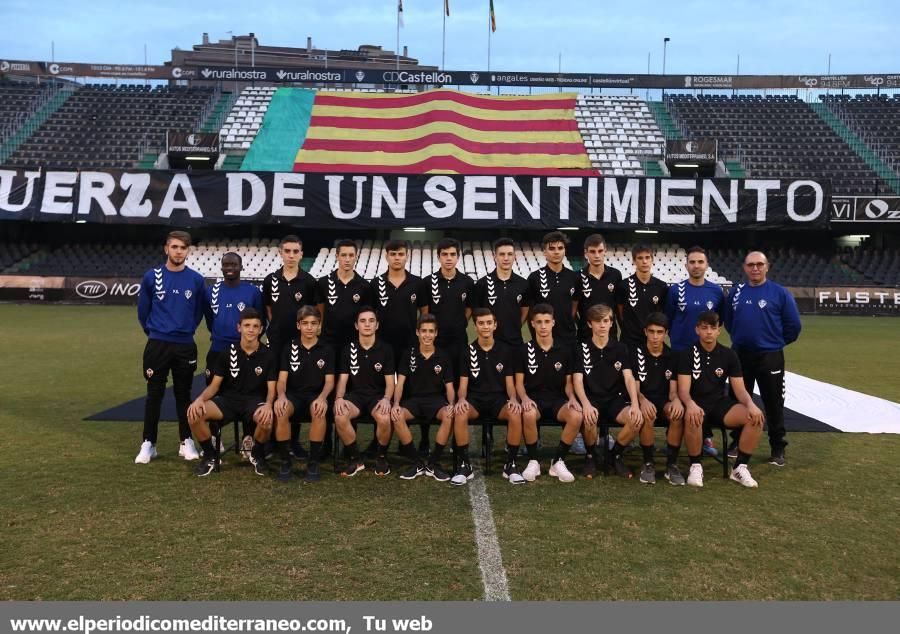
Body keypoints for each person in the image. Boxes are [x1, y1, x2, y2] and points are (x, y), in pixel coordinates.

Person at [722, 251, 802, 467]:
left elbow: (794, 327)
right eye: (751, 265)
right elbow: (729, 322)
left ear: (767, 267)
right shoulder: (736, 292)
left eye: (759, 264)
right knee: (739, 401)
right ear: (744, 267)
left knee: (774, 402)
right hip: (740, 356)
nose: (755, 268)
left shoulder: (780, 293)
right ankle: (736, 442)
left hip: (770, 357)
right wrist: (742, 338)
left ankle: (777, 447)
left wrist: (774, 343)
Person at [135, 230, 206, 464]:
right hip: (157, 344)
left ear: (188, 251)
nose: (178, 251)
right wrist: (156, 332)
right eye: (174, 247)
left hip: (185, 345)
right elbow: (143, 311)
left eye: (183, 248)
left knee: (183, 395)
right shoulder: (151, 276)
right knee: (154, 394)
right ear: (166, 248)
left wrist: (183, 329)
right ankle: (149, 443)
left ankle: (186, 441)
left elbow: (198, 313)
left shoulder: (196, 279)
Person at [677, 311, 766, 488]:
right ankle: (695, 466)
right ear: (697, 330)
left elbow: (740, 390)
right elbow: (683, 390)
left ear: (719, 331)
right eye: (704, 328)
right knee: (692, 415)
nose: (708, 332)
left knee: (755, 417)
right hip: (696, 403)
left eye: (713, 328)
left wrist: (751, 404)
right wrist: (690, 404)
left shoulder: (729, 355)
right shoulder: (687, 354)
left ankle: (740, 467)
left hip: (719, 405)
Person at [187, 308, 277, 477]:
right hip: (228, 401)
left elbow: (272, 389)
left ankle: (258, 455)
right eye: (247, 325)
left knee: (267, 419)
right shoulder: (227, 353)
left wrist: (269, 405)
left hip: (254, 402)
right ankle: (210, 455)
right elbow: (214, 386)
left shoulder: (268, 355)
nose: (251, 329)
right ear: (239, 328)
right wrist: (199, 399)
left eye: (255, 326)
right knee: (194, 413)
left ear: (261, 329)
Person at [663, 246, 725, 457]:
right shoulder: (676, 290)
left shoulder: (716, 291)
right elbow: (668, 318)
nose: (696, 266)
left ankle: (706, 435)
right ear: (686, 264)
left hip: (707, 353)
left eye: (700, 262)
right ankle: (673, 437)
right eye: (692, 262)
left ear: (706, 265)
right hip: (680, 352)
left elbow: (719, 320)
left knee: (705, 394)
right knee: (678, 396)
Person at [262, 235, 319, 457]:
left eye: (296, 251)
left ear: (301, 254)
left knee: (295, 389)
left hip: (299, 345)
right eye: (288, 251)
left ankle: (293, 441)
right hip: (276, 344)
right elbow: (268, 309)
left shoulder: (309, 281)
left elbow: (313, 313)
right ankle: (271, 440)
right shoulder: (270, 280)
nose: (292, 255)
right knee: (274, 388)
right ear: (281, 252)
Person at [452, 308, 523, 486]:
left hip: (498, 401)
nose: (485, 327)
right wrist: (461, 400)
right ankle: (464, 465)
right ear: (475, 326)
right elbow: (462, 386)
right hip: (475, 400)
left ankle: (511, 465)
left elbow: (509, 384)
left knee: (515, 413)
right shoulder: (467, 351)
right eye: (481, 323)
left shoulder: (505, 351)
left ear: (495, 325)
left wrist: (513, 399)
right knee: (460, 413)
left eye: (489, 323)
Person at [572, 304, 643, 480]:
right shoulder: (581, 349)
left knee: (636, 419)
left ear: (612, 323)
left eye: (606, 321)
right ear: (589, 324)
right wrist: (586, 404)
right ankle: (590, 456)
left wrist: (635, 404)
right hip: (592, 399)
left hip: (615, 400)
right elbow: (578, 381)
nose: (602, 325)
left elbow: (628, 378)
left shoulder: (621, 348)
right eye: (597, 321)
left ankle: (614, 456)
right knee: (589, 419)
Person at [514, 304, 584, 483]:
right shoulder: (523, 350)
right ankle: (533, 460)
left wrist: (572, 398)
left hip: (558, 400)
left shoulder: (565, 350)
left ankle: (558, 461)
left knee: (577, 415)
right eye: (539, 322)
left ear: (553, 323)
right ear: (532, 324)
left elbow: (568, 384)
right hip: (534, 399)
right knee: (527, 413)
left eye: (546, 322)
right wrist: (525, 398)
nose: (543, 326)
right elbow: (519, 384)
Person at [273, 306, 335, 483]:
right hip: (293, 395)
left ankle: (313, 463)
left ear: (319, 326)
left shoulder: (327, 349)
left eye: (313, 323)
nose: (309, 327)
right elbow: (282, 380)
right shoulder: (289, 347)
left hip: (316, 395)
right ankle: (286, 462)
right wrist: (282, 396)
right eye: (305, 323)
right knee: (282, 410)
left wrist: (323, 398)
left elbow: (330, 381)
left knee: (319, 410)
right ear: (298, 325)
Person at [391, 314, 455, 481]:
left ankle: (433, 463)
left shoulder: (443, 356)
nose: (427, 335)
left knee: (449, 415)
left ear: (436, 334)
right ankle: (417, 463)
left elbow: (449, 387)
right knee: (397, 416)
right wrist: (396, 403)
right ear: (418, 333)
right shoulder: (409, 354)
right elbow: (400, 383)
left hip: (436, 401)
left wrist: (451, 404)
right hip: (414, 401)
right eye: (424, 331)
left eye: (431, 331)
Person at [374, 239, 424, 452]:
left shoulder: (417, 283)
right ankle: (378, 441)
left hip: (409, 346)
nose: (397, 257)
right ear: (387, 256)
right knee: (381, 391)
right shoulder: (376, 284)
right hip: (383, 347)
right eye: (393, 253)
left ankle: (419, 440)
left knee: (412, 392)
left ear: (407, 256)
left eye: (400, 254)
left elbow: (425, 313)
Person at [332, 307, 395, 477]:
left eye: (371, 321)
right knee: (339, 414)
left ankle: (381, 458)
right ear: (356, 326)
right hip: (356, 397)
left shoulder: (386, 349)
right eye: (363, 321)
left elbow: (390, 382)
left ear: (377, 325)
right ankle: (355, 459)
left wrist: (387, 399)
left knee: (384, 417)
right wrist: (339, 398)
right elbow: (343, 379)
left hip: (377, 397)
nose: (367, 324)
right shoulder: (348, 349)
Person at [633, 313, 686, 485]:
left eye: (660, 332)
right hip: (644, 398)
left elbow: (672, 391)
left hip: (664, 400)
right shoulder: (636, 353)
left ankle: (672, 465)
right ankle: (648, 463)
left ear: (666, 333)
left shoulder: (673, 356)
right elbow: (635, 388)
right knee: (648, 414)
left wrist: (676, 400)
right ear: (645, 332)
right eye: (652, 332)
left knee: (677, 414)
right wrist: (642, 400)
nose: (655, 337)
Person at [417, 237, 474, 379]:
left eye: (452, 254)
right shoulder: (428, 282)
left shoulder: (467, 282)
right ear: (438, 256)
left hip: (458, 338)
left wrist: (460, 322)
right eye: (445, 254)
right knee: (435, 376)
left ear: (458, 257)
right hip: (436, 339)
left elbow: (469, 308)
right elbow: (425, 312)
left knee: (457, 373)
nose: (449, 258)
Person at [204, 253, 265, 386]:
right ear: (221, 268)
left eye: (233, 264)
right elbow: (209, 318)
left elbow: (261, 321)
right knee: (213, 390)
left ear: (241, 267)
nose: (229, 268)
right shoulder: (211, 291)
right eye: (226, 265)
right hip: (218, 348)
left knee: (242, 391)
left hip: (244, 350)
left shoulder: (253, 291)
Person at [472, 238, 529, 348]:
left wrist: (516, 326)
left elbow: (525, 309)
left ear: (514, 257)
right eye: (502, 254)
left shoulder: (523, 284)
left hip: (515, 342)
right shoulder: (482, 284)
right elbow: (477, 312)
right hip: (489, 344)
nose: (506, 258)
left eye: (510, 254)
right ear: (495, 256)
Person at [526, 231, 579, 348]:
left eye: (560, 248)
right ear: (545, 252)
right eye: (552, 248)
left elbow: (574, 304)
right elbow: (531, 312)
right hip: (544, 338)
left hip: (568, 338)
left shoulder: (574, 277)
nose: (556, 252)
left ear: (564, 250)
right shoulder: (534, 278)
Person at [616, 244, 669, 350]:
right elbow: (620, 315)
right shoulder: (623, 285)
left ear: (652, 259)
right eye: (640, 258)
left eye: (647, 257)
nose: (644, 261)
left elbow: (663, 313)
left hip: (652, 342)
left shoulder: (661, 286)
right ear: (634, 261)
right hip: (629, 342)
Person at [574, 233, 622, 341]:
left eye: (600, 251)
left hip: (610, 336)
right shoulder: (577, 277)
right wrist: (582, 323)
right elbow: (573, 310)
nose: (597, 255)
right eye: (592, 251)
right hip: (585, 337)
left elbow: (619, 309)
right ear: (586, 253)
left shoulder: (615, 275)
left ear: (605, 251)